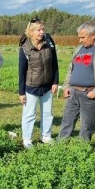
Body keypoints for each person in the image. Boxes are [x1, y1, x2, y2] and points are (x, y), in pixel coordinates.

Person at [18, 19, 59, 149]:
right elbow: (21, 70)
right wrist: (21, 92)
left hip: (47, 85)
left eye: (43, 29)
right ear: (31, 32)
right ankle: (27, 139)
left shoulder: (49, 44)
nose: (42, 32)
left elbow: (55, 64)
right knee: (29, 114)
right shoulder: (25, 48)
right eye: (39, 30)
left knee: (48, 113)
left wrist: (55, 81)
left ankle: (46, 136)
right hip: (31, 86)